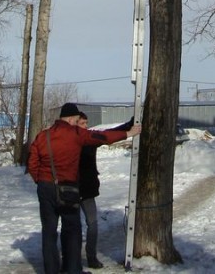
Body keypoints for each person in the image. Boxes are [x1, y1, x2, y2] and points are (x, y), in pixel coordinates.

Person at [27, 102, 141, 274]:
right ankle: (72, 269)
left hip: (45, 188)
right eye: (77, 119)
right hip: (68, 189)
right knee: (72, 229)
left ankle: (51, 270)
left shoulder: (43, 136)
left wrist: (40, 180)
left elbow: (32, 161)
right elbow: (103, 137)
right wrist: (128, 133)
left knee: (49, 231)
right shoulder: (76, 134)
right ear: (72, 118)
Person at [72, 112, 134, 270]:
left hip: (86, 189)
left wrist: (129, 125)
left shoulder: (91, 138)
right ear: (74, 123)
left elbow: (108, 134)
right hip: (70, 189)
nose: (86, 127)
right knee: (73, 226)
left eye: (86, 123)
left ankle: (91, 257)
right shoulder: (69, 140)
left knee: (92, 224)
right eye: (82, 124)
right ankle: (72, 259)